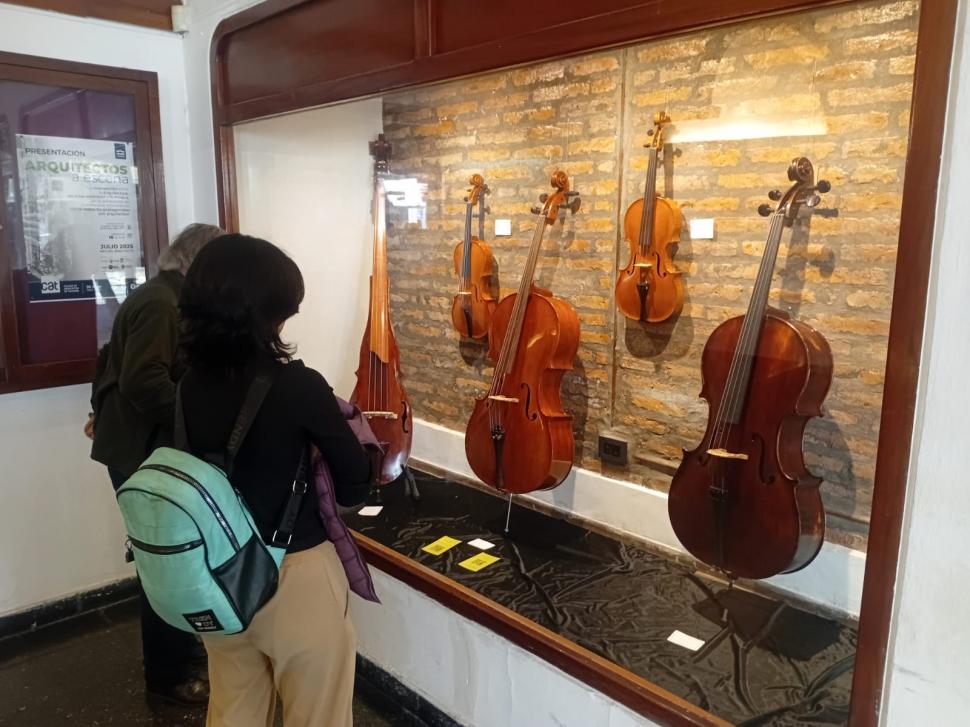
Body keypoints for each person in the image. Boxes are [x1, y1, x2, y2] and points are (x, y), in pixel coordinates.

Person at [177, 234, 372, 727]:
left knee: (233, 710)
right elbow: (355, 483)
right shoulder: (298, 385)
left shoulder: (187, 385)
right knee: (318, 716)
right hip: (295, 575)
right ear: (263, 313)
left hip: (219, 574)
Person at [89, 222, 224, 705]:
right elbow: (143, 380)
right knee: (163, 562)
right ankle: (167, 674)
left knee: (171, 556)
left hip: (143, 447)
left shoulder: (166, 298)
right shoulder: (161, 304)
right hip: (143, 453)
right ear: (196, 264)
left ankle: (179, 652)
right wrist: (199, 424)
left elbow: (110, 360)